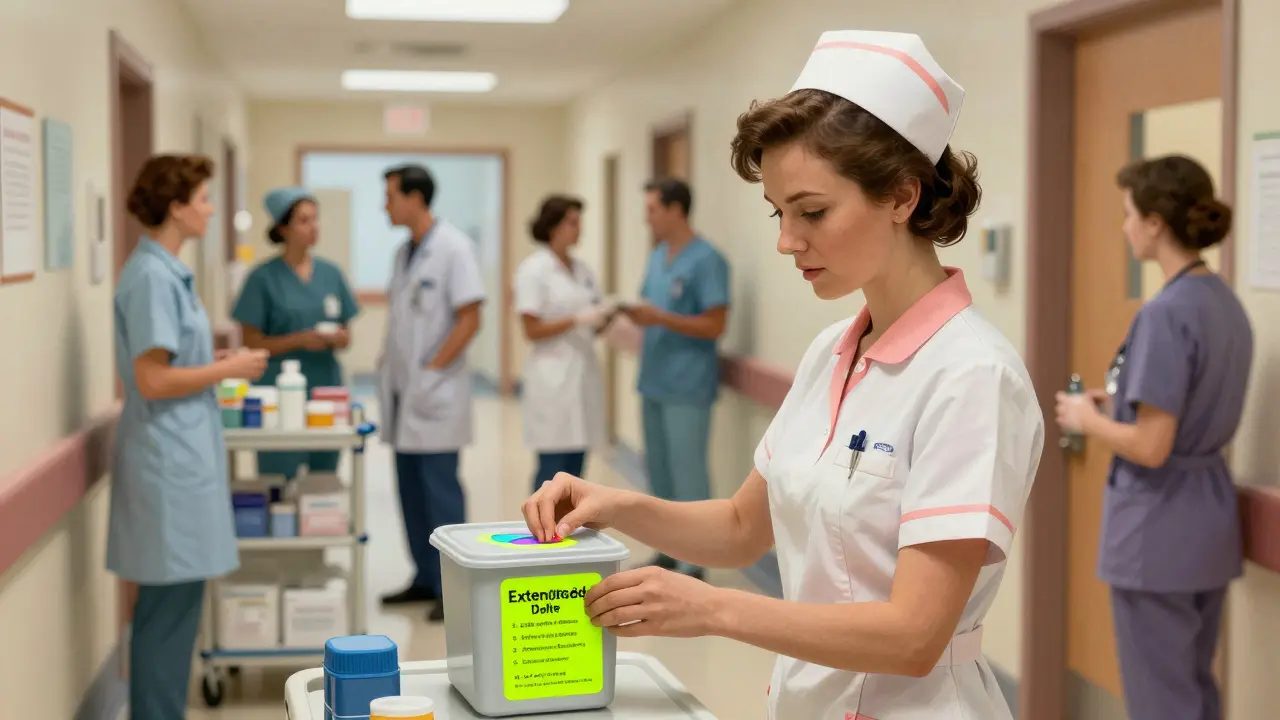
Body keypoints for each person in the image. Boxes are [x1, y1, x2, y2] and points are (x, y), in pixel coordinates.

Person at [523, 31, 1046, 719]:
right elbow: (744, 526)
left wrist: (710, 607)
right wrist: (612, 505)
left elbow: (916, 635)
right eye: (779, 212)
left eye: (813, 211)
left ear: (901, 196)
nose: (786, 240)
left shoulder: (972, 375)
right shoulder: (834, 351)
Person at [1055, 155, 1250, 720]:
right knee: (1193, 691)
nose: (1124, 228)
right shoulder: (1222, 302)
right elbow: (1188, 412)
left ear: (1155, 223)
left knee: (1160, 702)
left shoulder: (1166, 314)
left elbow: (1152, 444)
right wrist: (1114, 402)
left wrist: (1086, 420)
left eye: (1127, 215)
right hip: (1207, 523)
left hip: (1158, 534)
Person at [108, 154, 269, 720]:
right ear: (176, 208)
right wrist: (226, 371)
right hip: (165, 462)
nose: (209, 209)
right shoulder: (153, 275)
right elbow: (150, 379)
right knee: (167, 612)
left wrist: (213, 359)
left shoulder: (165, 271)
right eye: (202, 199)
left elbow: (168, 360)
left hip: (177, 455)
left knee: (174, 609)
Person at [377, 164, 487, 622]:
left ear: (416, 198)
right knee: (410, 492)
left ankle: (452, 587)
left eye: (391, 196)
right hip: (406, 394)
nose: (385, 205)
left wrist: (432, 370)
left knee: (441, 494)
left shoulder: (454, 248)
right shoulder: (405, 253)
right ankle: (424, 577)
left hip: (434, 392)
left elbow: (470, 317)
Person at [624, 177, 730, 579]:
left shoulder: (707, 260)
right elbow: (650, 305)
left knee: (689, 476)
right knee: (661, 474)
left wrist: (661, 318)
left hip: (687, 385)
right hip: (653, 380)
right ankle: (668, 552)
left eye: (652, 209)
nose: (646, 218)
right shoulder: (659, 256)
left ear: (675, 210)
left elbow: (716, 324)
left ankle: (695, 561)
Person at [232, 187, 360, 478]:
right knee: (278, 480)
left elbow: (346, 335)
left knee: (323, 481)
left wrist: (337, 338)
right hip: (276, 392)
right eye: (304, 220)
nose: (314, 227)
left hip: (326, 389)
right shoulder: (262, 278)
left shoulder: (331, 274)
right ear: (282, 228)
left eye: (316, 219)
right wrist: (298, 340)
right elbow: (250, 342)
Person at [514, 195, 616, 491]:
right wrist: (576, 319)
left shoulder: (581, 269)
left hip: (582, 376)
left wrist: (605, 315)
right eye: (572, 222)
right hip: (551, 379)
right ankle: (540, 530)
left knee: (576, 470)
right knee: (551, 469)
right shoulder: (534, 270)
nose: (578, 228)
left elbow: (591, 319)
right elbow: (530, 329)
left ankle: (567, 530)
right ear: (553, 226)